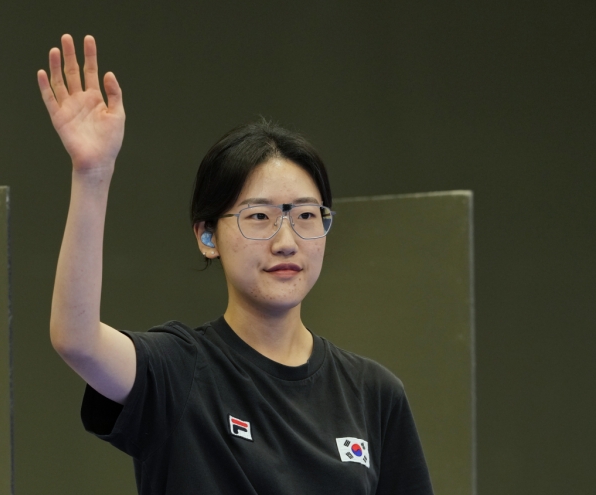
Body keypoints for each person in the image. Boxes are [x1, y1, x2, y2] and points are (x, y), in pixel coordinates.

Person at [38, 34, 434, 495]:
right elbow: (77, 340)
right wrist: (92, 174)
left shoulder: (374, 394)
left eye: (307, 216)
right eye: (259, 217)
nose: (286, 242)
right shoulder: (180, 370)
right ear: (208, 236)